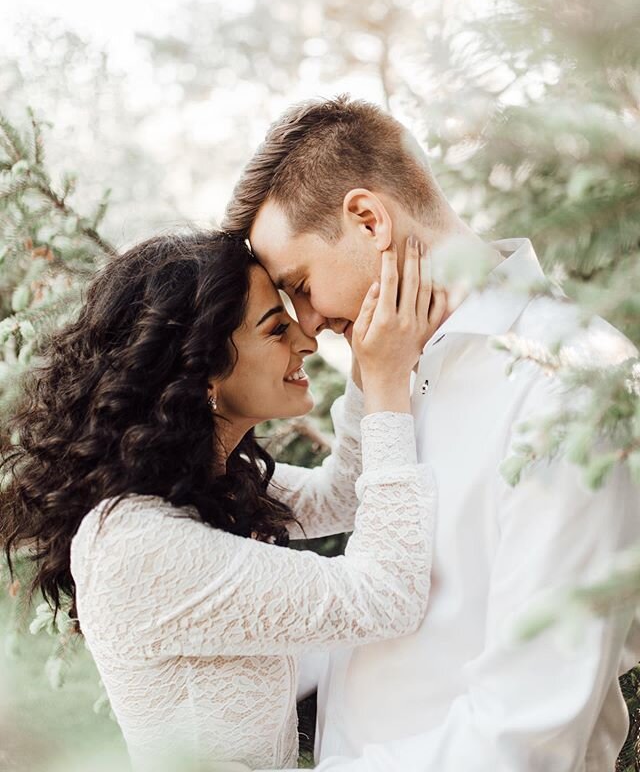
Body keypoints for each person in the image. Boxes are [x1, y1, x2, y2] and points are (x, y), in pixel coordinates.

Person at [222, 95, 640, 772]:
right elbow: (405, 612)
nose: (305, 324)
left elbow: (531, 730)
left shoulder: (567, 383)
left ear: (368, 219)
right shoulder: (393, 367)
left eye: (299, 285)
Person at [0, 231, 447, 771]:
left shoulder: (206, 480)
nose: (306, 340)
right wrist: (386, 383)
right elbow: (384, 598)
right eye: (276, 329)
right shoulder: (137, 541)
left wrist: (365, 362)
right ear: (204, 366)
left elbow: (341, 495)